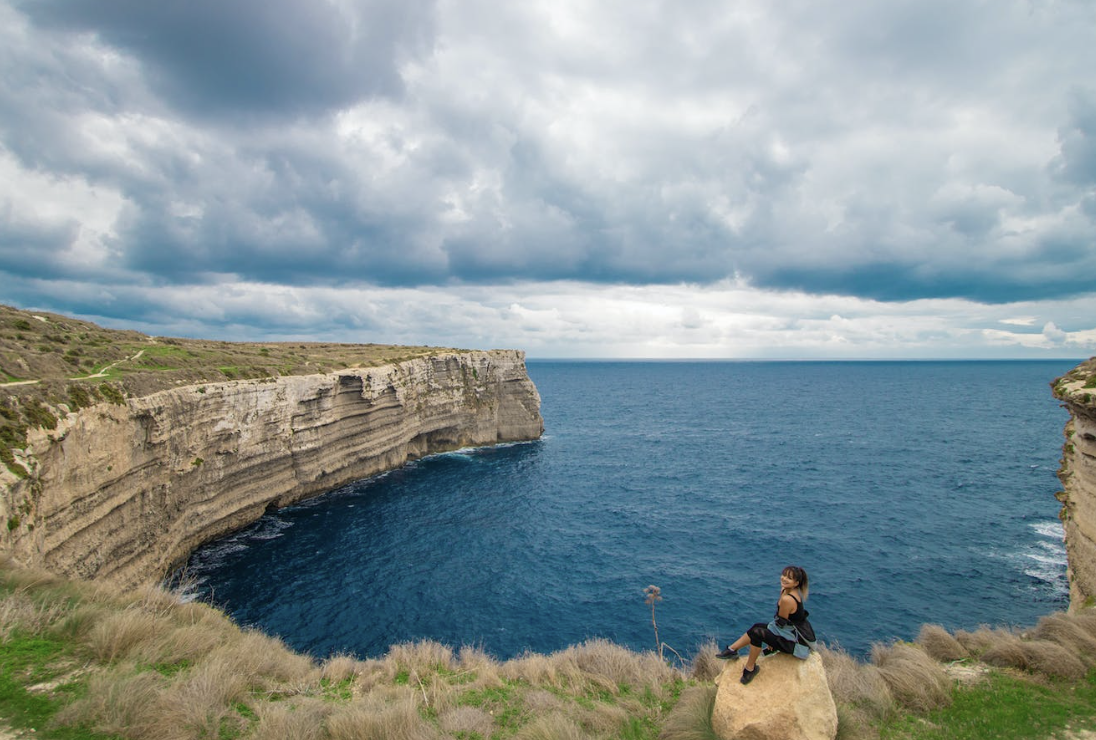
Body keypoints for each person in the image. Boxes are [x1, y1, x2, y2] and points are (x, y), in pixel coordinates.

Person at [715, 565, 814, 685]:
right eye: (783, 575)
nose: (784, 579)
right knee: (757, 626)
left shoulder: (788, 599)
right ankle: (732, 649)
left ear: (796, 583)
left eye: (789, 578)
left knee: (757, 634)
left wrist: (771, 641)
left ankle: (750, 669)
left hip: (796, 643)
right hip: (790, 633)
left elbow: (780, 624)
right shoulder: (786, 591)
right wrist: (771, 638)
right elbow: (782, 623)